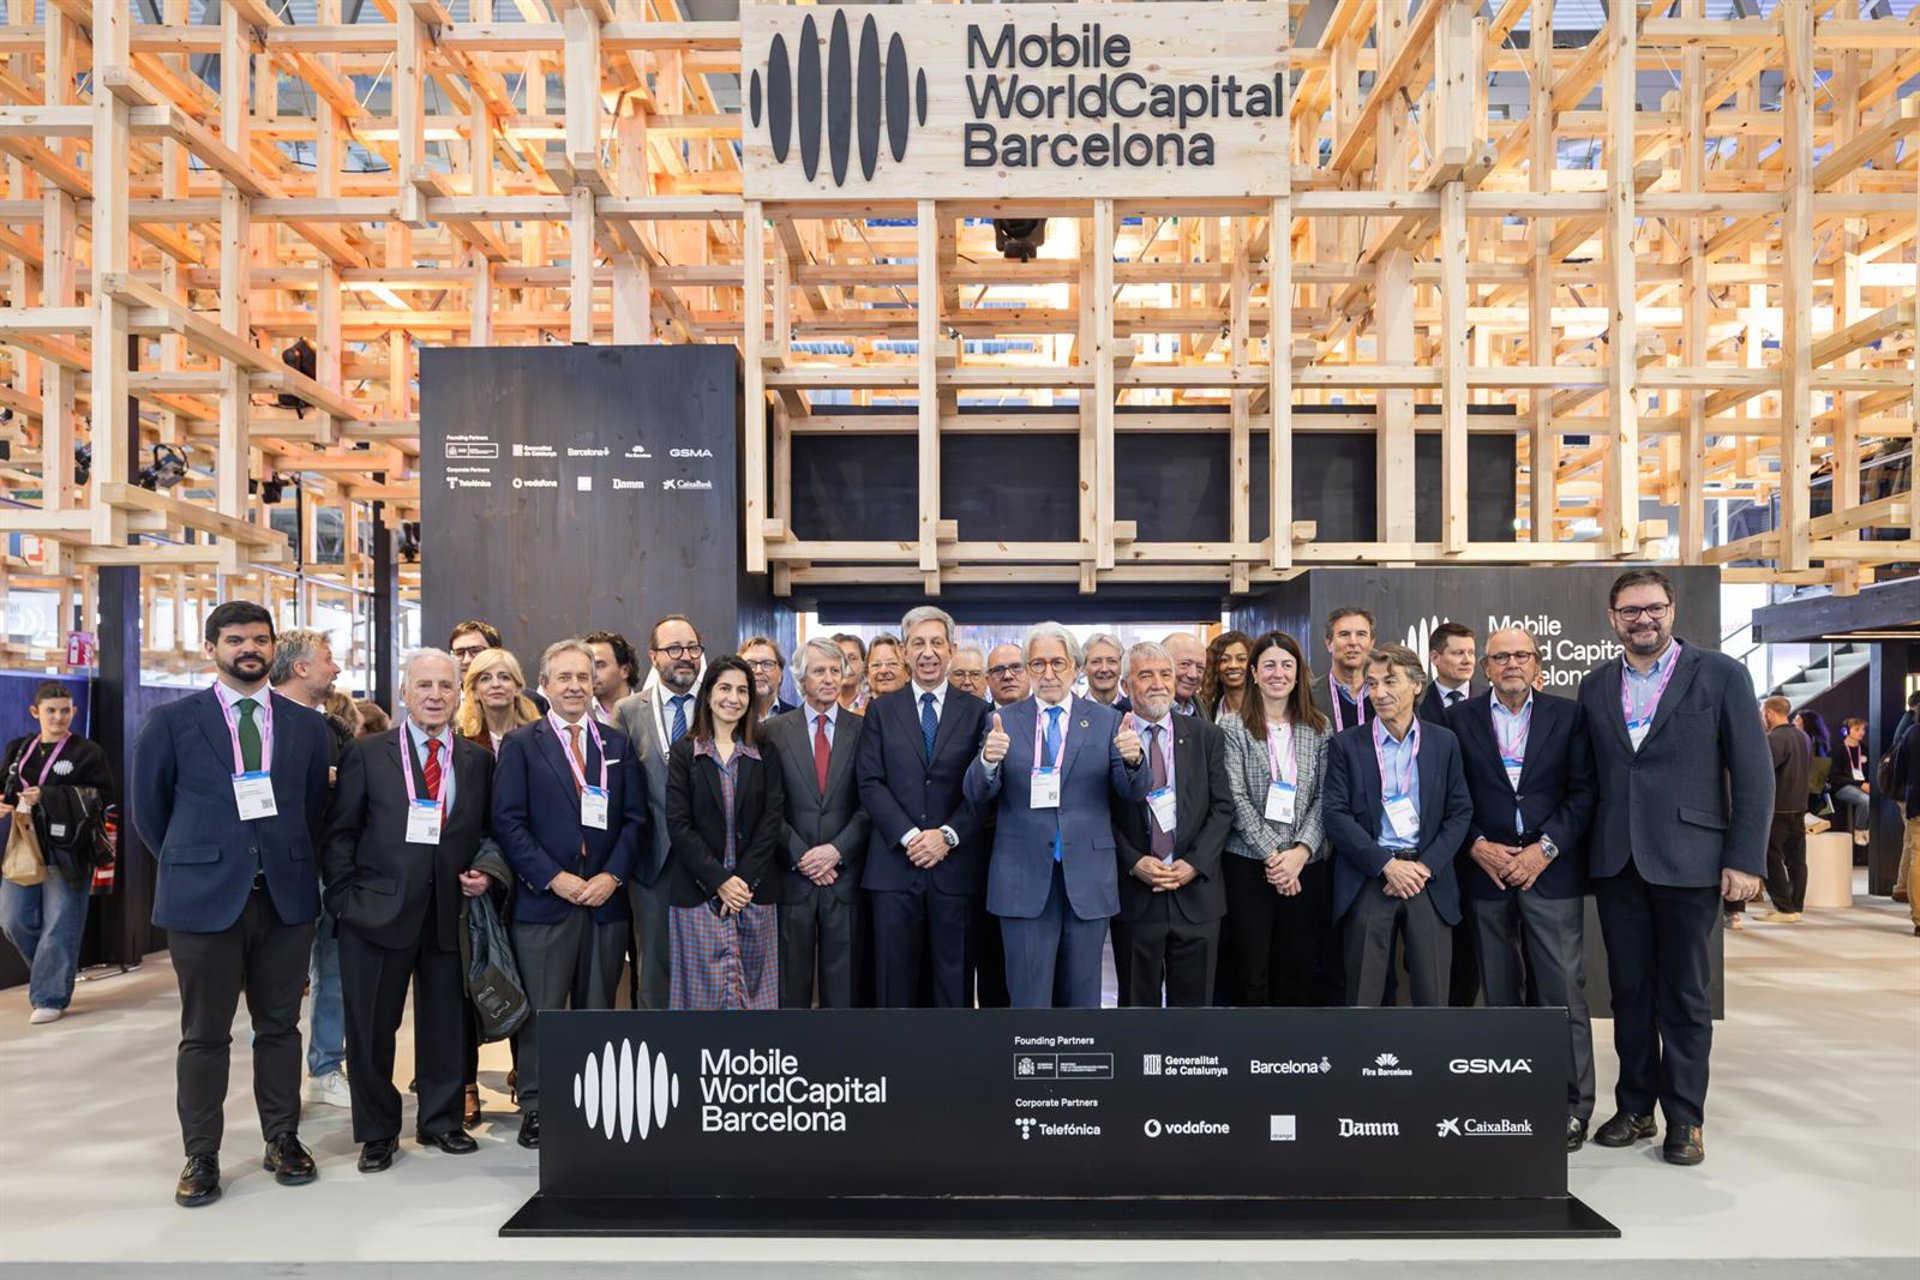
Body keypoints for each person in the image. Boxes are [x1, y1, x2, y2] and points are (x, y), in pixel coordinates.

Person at [132, 601, 334, 1208]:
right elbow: (150, 814)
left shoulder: (306, 726)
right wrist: (203, 862)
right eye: (236, 639)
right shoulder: (171, 721)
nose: (249, 648)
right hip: (203, 901)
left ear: (274, 648)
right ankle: (201, 1154)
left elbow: (312, 812)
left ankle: (282, 1138)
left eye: (260, 639)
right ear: (211, 648)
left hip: (284, 899)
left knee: (280, 1027)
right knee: (204, 1034)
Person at [1578, 567, 1769, 1167]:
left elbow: (1753, 772)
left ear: (1671, 610)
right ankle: (1635, 1107)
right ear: (1613, 619)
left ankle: (1685, 1118)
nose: (1644, 619)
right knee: (1630, 992)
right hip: (1617, 861)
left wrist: (1744, 858)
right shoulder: (1595, 684)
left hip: (1691, 860)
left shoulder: (1721, 674)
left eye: (1654, 608)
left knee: (1684, 995)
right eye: (1631, 611)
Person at [321, 650, 493, 1172]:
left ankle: (441, 1121)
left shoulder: (477, 761)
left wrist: (486, 872)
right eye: (424, 685)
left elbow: (488, 831)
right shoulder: (367, 754)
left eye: (445, 686)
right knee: (372, 1028)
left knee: (446, 1024)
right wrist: (344, 900)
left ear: (459, 694)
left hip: (449, 911)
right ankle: (378, 1132)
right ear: (405, 692)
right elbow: (340, 833)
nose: (435, 695)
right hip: (374, 913)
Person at [1446, 626, 1597, 1152]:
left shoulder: (1569, 716)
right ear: (1485, 668)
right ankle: (1510, 1098)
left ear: (1537, 664)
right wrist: (1476, 845)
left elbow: (1584, 792)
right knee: (1501, 994)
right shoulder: (1458, 720)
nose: (1512, 664)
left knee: (1562, 994)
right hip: (1485, 873)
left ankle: (1572, 1106)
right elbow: (1448, 794)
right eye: (1501, 657)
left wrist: (1544, 849)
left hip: (1550, 872)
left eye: (1521, 655)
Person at [493, 639, 646, 1149]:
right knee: (543, 1012)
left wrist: (612, 877)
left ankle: (591, 1101)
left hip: (604, 901)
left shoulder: (616, 744)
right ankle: (537, 1105)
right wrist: (553, 877)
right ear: (544, 685)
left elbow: (635, 820)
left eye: (584, 677)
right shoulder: (522, 744)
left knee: (597, 1009)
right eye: (564, 677)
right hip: (545, 901)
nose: (576, 686)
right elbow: (508, 823)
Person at [966, 622, 1149, 1008]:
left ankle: (1077, 1053)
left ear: (1075, 667)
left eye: (1057, 663)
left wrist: (1134, 759)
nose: (1048, 673)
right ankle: (1031, 1051)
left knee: (1082, 999)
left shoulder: (1105, 720)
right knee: (1028, 999)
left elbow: (1131, 792)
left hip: (1088, 875)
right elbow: (976, 794)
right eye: (1038, 664)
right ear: (1028, 669)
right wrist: (987, 761)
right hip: (1022, 876)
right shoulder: (1004, 721)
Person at [856, 606, 993, 1008]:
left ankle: (950, 1054)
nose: (928, 652)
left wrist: (946, 836)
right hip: (894, 870)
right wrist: (912, 837)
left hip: (955, 870)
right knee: (893, 990)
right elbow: (870, 782)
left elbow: (984, 787)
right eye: (918, 643)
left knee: (953, 988)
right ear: (904, 651)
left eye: (936, 643)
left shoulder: (977, 711)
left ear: (951, 649)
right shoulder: (881, 710)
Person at [1323, 643, 1473, 1008]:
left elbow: (1460, 812)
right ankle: (1362, 1048)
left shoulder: (1444, 742)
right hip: (1370, 875)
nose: (1379, 693)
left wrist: (1424, 867)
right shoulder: (1347, 744)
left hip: (1427, 878)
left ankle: (1430, 1050)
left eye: (1390, 681)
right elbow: (1335, 814)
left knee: (1433, 997)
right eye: (1372, 684)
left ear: (1417, 685)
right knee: (1363, 997)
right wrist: (1387, 865)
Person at [1109, 641, 1233, 1007]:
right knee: (1137, 1012)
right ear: (1126, 685)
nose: (1158, 684)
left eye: (1165, 674)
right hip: (1135, 897)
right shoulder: (1107, 735)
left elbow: (1223, 808)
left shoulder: (1206, 735)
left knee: (1194, 1018)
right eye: (1145, 675)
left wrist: (1194, 864)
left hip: (1197, 896)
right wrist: (1133, 861)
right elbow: (1099, 812)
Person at [1217, 632, 1332, 1007]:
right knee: (1251, 971)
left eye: (1286, 665)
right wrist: (1275, 857)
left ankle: (1291, 1042)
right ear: (1254, 673)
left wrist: (1299, 852)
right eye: (1269, 665)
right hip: (1248, 865)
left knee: (1297, 968)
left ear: (1298, 674)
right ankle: (1253, 1041)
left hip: (1306, 866)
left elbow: (1325, 797)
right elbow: (1235, 799)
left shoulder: (1319, 727)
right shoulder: (1231, 729)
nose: (1277, 673)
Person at [666, 657, 785, 1009]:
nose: (733, 698)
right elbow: (679, 825)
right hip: (699, 893)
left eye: (742, 691)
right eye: (725, 688)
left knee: (757, 1002)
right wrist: (720, 881)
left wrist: (741, 883)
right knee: (700, 1003)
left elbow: (772, 820)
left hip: (753, 892)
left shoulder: (765, 751)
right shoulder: (685, 752)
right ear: (707, 693)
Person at [266, 628, 352, 1113]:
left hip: (332, 869)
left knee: (333, 973)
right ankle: (276, 1086)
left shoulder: (333, 729)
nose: (335, 668)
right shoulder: (259, 725)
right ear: (300, 668)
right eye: (328, 659)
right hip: (278, 872)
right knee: (278, 982)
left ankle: (325, 1067)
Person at [764, 639, 870, 1008]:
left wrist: (837, 851)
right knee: (789, 992)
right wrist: (801, 855)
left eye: (835, 671)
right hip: (793, 877)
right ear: (800, 680)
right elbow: (767, 805)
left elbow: (871, 802)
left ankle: (843, 1048)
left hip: (845, 877)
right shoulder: (772, 732)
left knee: (845, 992)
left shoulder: (865, 729)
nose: (828, 678)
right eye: (819, 671)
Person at [0, 681, 114, 1024]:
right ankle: (54, 972)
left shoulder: (87, 751)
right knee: (13, 920)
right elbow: (5, 788)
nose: (59, 717)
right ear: (35, 712)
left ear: (74, 712)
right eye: (51, 711)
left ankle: (50, 996)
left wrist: (48, 796)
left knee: (60, 923)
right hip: (24, 844)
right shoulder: (19, 749)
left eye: (65, 711)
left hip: (69, 849)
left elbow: (104, 797)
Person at [614, 614, 705, 1011]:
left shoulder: (719, 703)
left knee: (708, 968)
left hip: (711, 860)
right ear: (653, 656)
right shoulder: (627, 711)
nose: (685, 656)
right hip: (654, 862)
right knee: (654, 970)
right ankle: (659, 1047)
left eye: (692, 648)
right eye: (674, 649)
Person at [1754, 696, 1811, 925]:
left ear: (1769, 713)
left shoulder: (1775, 739)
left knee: (1770, 858)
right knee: (1797, 860)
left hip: (1778, 808)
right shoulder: (1803, 736)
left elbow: (1762, 771)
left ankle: (1784, 908)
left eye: (1762, 712)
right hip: (1799, 806)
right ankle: (1795, 907)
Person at [455, 647, 541, 757]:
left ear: (518, 688)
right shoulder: (463, 741)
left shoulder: (539, 737)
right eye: (485, 679)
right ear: (474, 691)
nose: (496, 684)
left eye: (504, 677)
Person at [1315, 607, 1376, 731]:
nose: (1353, 642)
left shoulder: (1387, 693)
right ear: (1329, 643)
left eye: (1361, 634)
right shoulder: (1307, 696)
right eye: (1344, 634)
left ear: (1371, 643)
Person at [1886, 722, 1920, 934]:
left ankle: (1919, 919)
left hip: (1917, 802)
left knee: (1918, 857)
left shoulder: (1912, 732)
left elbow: (1898, 772)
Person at [1419, 621, 1478, 722]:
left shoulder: (1492, 698)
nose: (1468, 660)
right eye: (1459, 653)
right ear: (1435, 657)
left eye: (1471, 653)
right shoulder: (1418, 703)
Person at [582, 629, 639, 728]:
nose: (590, 673)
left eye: (599, 665)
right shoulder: (576, 715)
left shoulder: (650, 711)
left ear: (625, 670)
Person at [1198, 630, 1253, 724]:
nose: (1233, 665)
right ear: (1215, 666)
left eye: (1241, 659)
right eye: (1224, 660)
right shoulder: (1205, 711)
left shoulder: (1269, 707)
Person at [1834, 717, 1872, 846]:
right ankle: (1859, 831)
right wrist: (1860, 784)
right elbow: (1835, 777)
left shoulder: (1864, 749)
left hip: (1862, 785)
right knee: (1866, 800)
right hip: (1842, 787)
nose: (1861, 732)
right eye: (1857, 729)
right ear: (1847, 731)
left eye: (1863, 729)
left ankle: (1868, 829)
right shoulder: (1839, 749)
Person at [739, 636, 798, 719]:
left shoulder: (798, 718)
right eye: (750, 665)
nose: (758, 671)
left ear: (780, 673)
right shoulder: (729, 717)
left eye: (767, 664)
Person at [1163, 632, 1206, 717]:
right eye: (1184, 664)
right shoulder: (1141, 711)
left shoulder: (1202, 709)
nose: (1193, 675)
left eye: (1200, 668)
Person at [1081, 633, 1127, 710]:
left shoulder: (1136, 711)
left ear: (1122, 666)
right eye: (1096, 662)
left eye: (1112, 661)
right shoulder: (1071, 712)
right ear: (1083, 667)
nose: (1104, 669)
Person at [986, 643, 1031, 707]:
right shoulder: (977, 713)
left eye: (1016, 667)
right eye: (998, 670)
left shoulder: (1044, 711)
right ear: (987, 680)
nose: (1007, 676)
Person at [832, 633, 869, 711]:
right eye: (839, 658)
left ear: (864, 664)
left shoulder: (874, 707)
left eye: (853, 658)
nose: (846, 665)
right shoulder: (819, 707)